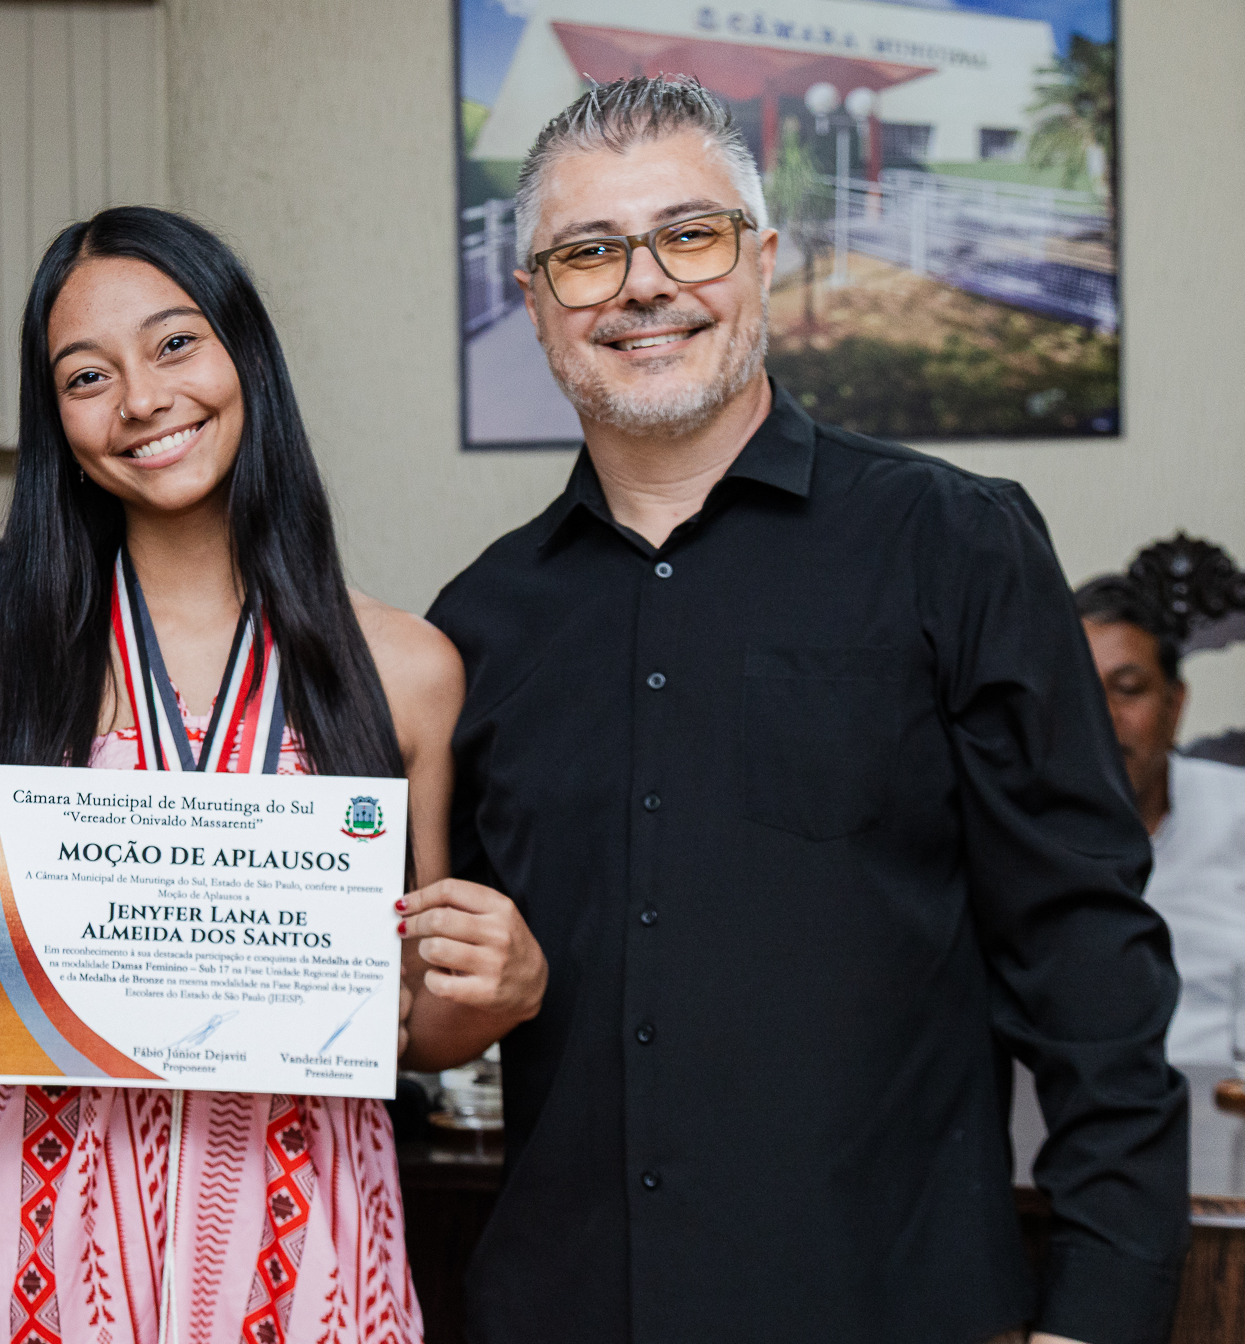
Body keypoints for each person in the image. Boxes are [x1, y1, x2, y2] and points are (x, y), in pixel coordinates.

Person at [426, 76, 1187, 1344]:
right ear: (534, 300)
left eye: (689, 234)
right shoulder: (478, 623)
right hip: (562, 1308)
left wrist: (1095, 1315)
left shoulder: (953, 542)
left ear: (762, 258)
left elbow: (1085, 960)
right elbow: (438, 988)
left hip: (888, 1309)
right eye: (586, 253)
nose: (641, 285)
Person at [0, 205, 547, 1343]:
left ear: (244, 354)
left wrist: (498, 992)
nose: (141, 399)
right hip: (37, 1241)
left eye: (173, 344)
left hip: (299, 1240)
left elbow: (403, 1023)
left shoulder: (405, 670)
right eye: (86, 375)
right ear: (58, 423)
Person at [1077, 573, 1245, 1065]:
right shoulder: (1009, 833)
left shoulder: (1237, 812)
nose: (1104, 715)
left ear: (1174, 705)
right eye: (1080, 692)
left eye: (1128, 689)